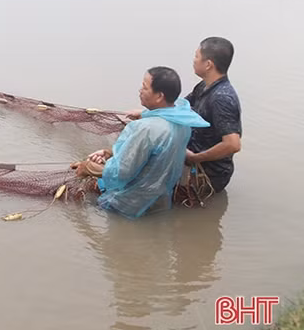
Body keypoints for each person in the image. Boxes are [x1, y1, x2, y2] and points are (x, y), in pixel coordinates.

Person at [73, 67, 209, 218]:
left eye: (144, 87)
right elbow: (153, 155)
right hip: (160, 202)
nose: (140, 91)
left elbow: (122, 172)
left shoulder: (146, 129)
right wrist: (109, 153)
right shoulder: (182, 122)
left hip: (129, 205)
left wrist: (87, 167)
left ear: (159, 96)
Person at [184, 37, 242, 192]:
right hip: (191, 154)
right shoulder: (204, 86)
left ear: (208, 64)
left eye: (196, 56)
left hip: (209, 173)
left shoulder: (222, 98)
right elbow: (180, 108)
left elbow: (233, 144)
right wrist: (147, 113)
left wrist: (196, 158)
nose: (193, 60)